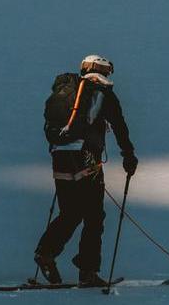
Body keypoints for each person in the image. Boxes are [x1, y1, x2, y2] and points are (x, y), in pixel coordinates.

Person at [34, 54, 138, 288]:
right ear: (104, 71)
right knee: (94, 216)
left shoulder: (66, 90)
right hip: (87, 158)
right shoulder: (103, 94)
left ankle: (46, 253)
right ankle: (87, 272)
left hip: (60, 155)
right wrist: (128, 156)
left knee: (70, 212)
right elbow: (120, 126)